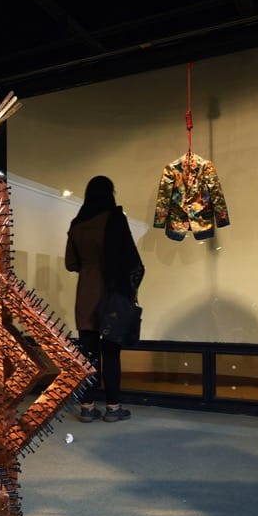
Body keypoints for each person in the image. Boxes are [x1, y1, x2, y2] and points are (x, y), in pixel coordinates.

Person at [65, 175, 144, 423]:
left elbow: (71, 263)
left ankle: (87, 407)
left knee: (87, 355)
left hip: (85, 295)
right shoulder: (115, 219)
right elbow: (132, 259)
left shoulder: (77, 224)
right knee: (111, 354)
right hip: (112, 294)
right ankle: (112, 407)